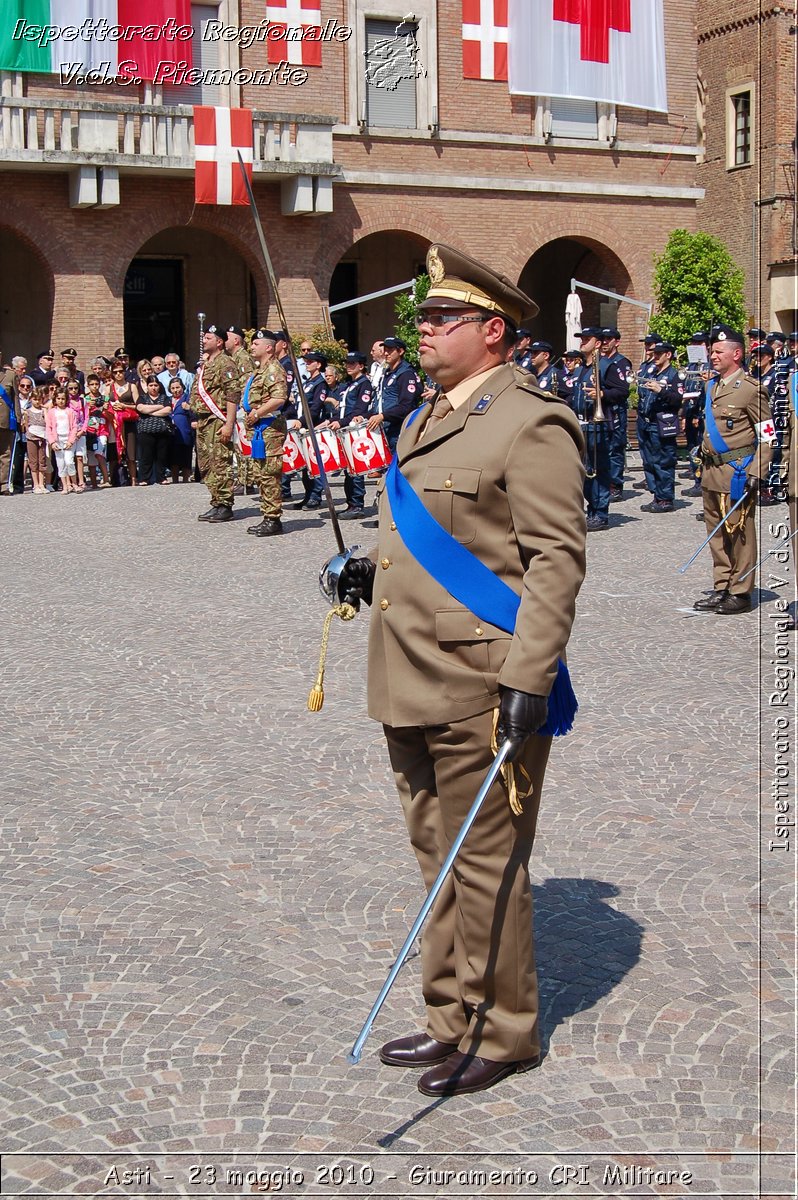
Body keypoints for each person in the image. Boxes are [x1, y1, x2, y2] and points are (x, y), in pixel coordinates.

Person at [337, 243, 586, 1097]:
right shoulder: (424, 416)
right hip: (406, 671)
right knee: (435, 855)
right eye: (424, 318)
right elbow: (428, 535)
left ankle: (504, 1030)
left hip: (481, 680)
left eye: (442, 318)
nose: (425, 331)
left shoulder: (532, 420)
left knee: (486, 862)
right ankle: (451, 1015)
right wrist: (370, 568)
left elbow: (555, 560)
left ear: (493, 331)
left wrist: (529, 679)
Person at [693, 326, 773, 615]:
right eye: (712, 351)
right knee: (716, 534)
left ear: (737, 354)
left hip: (737, 472)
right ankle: (722, 585)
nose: (712, 356)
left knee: (739, 533)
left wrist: (757, 472)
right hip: (711, 472)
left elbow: (767, 435)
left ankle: (740, 591)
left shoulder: (752, 390)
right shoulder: (712, 387)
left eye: (718, 352)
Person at [188, 322, 241, 522]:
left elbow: (232, 395)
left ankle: (225, 504)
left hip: (217, 420)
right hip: (203, 421)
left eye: (208, 338)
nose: (204, 340)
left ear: (219, 342)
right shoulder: (206, 364)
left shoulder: (225, 363)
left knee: (220, 462)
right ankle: (216, 500)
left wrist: (229, 423)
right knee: (206, 463)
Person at [243, 329, 288, 538]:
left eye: (255, 343)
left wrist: (257, 413)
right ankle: (267, 515)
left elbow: (279, 399)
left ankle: (273, 519)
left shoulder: (273, 369)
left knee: (269, 474)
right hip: (260, 429)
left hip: (269, 428)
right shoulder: (259, 369)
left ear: (268, 347)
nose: (251, 346)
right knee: (261, 474)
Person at [569, 328, 613, 531]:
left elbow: (621, 391)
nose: (583, 342)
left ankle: (601, 512)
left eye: (587, 339)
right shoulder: (580, 369)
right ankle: (591, 509)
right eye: (582, 339)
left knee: (599, 470)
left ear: (597, 344)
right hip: (582, 425)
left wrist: (602, 394)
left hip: (599, 426)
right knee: (585, 471)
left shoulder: (606, 366)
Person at [635, 341, 684, 513]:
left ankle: (665, 498)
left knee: (663, 461)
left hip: (662, 423)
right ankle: (656, 495)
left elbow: (678, 399)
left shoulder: (674, 375)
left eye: (659, 354)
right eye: (654, 353)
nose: (654, 356)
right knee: (649, 461)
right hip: (646, 422)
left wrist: (661, 391)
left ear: (668, 355)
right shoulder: (652, 372)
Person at [330, 351, 373, 518]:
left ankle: (357, 504)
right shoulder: (350, 384)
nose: (348, 366)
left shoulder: (364, 384)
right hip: (345, 429)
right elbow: (343, 409)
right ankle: (351, 503)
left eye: (352, 363)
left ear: (361, 366)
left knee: (356, 469)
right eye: (347, 363)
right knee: (348, 470)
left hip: (354, 430)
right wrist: (333, 420)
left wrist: (341, 422)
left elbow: (359, 410)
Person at [367, 337, 420, 456]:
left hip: (399, 430)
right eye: (385, 350)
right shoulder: (388, 373)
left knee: (397, 470)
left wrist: (382, 416)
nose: (386, 353)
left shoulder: (406, 373)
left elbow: (406, 406)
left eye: (390, 350)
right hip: (387, 429)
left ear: (400, 352)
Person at [599, 328, 632, 499]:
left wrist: (603, 394)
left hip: (615, 412)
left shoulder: (621, 363)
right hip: (602, 412)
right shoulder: (599, 361)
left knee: (615, 448)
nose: (605, 342)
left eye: (609, 339)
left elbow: (623, 391)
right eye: (603, 339)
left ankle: (615, 484)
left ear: (616, 342)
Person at [106, 358, 140, 486]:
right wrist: (109, 407)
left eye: (121, 371)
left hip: (129, 422)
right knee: (114, 452)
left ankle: (133, 479)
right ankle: (114, 478)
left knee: (131, 452)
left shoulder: (131, 386)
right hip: (113, 423)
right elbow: (104, 403)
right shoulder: (108, 387)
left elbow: (138, 405)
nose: (118, 374)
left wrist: (124, 406)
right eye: (115, 372)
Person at [136, 377, 173, 485]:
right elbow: (141, 408)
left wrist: (150, 412)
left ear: (159, 386)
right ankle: (144, 478)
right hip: (145, 432)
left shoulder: (164, 397)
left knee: (161, 456)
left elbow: (168, 410)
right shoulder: (142, 398)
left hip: (162, 431)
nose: (153, 388)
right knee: (146, 456)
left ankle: (161, 478)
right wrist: (159, 407)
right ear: (147, 387)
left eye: (155, 385)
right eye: (151, 385)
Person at [46, 387, 79, 493]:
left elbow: (74, 427)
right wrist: (52, 442)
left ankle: (74, 484)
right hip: (57, 441)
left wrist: (71, 440)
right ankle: (65, 486)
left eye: (63, 399)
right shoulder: (52, 412)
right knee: (61, 464)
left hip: (68, 440)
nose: (61, 401)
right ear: (55, 399)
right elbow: (49, 427)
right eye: (59, 398)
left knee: (69, 461)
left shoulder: (70, 412)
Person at [168, 377, 195, 484]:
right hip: (172, 434)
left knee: (186, 456)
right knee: (173, 457)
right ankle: (175, 480)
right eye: (173, 388)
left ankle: (185, 479)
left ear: (182, 387)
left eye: (178, 387)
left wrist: (189, 407)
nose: (176, 390)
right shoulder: (167, 399)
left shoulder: (188, 398)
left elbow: (195, 411)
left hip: (184, 432)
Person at [23, 384, 49, 493]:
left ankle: (42, 484)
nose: (37, 402)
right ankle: (36, 484)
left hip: (42, 438)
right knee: (33, 461)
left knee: (42, 460)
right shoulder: (27, 411)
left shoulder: (43, 411)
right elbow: (26, 425)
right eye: (35, 399)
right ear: (31, 399)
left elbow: (47, 422)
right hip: (31, 438)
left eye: (39, 399)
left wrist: (45, 410)